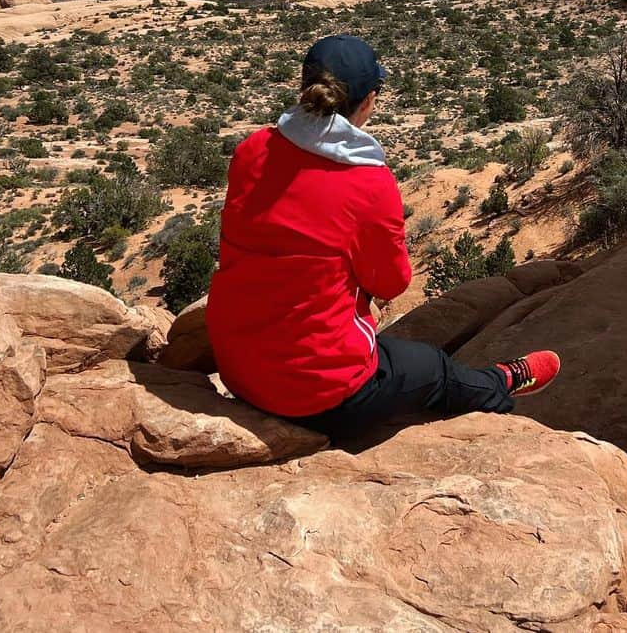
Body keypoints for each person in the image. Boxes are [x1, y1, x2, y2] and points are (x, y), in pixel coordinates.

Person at [206, 32, 560, 441]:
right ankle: (503, 384)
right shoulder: (368, 184)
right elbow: (391, 283)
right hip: (316, 393)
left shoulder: (253, 149)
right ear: (370, 100)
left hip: (234, 362)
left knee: (398, 355)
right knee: (434, 369)